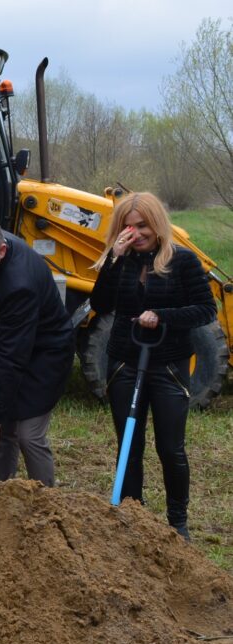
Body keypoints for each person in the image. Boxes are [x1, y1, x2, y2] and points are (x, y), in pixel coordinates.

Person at [91, 192, 216, 540]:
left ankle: (178, 522)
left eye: (143, 225)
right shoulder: (121, 261)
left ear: (157, 224)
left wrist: (161, 316)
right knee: (129, 444)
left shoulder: (183, 261)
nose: (137, 233)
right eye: (128, 227)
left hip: (168, 365)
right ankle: (132, 516)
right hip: (124, 362)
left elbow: (206, 310)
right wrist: (112, 260)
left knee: (170, 447)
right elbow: (100, 303)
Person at [0, 216, 74, 486]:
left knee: (28, 434)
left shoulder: (19, 285)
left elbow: (12, 360)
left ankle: (45, 501)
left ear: (1, 250)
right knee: (4, 429)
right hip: (19, 342)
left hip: (47, 354)